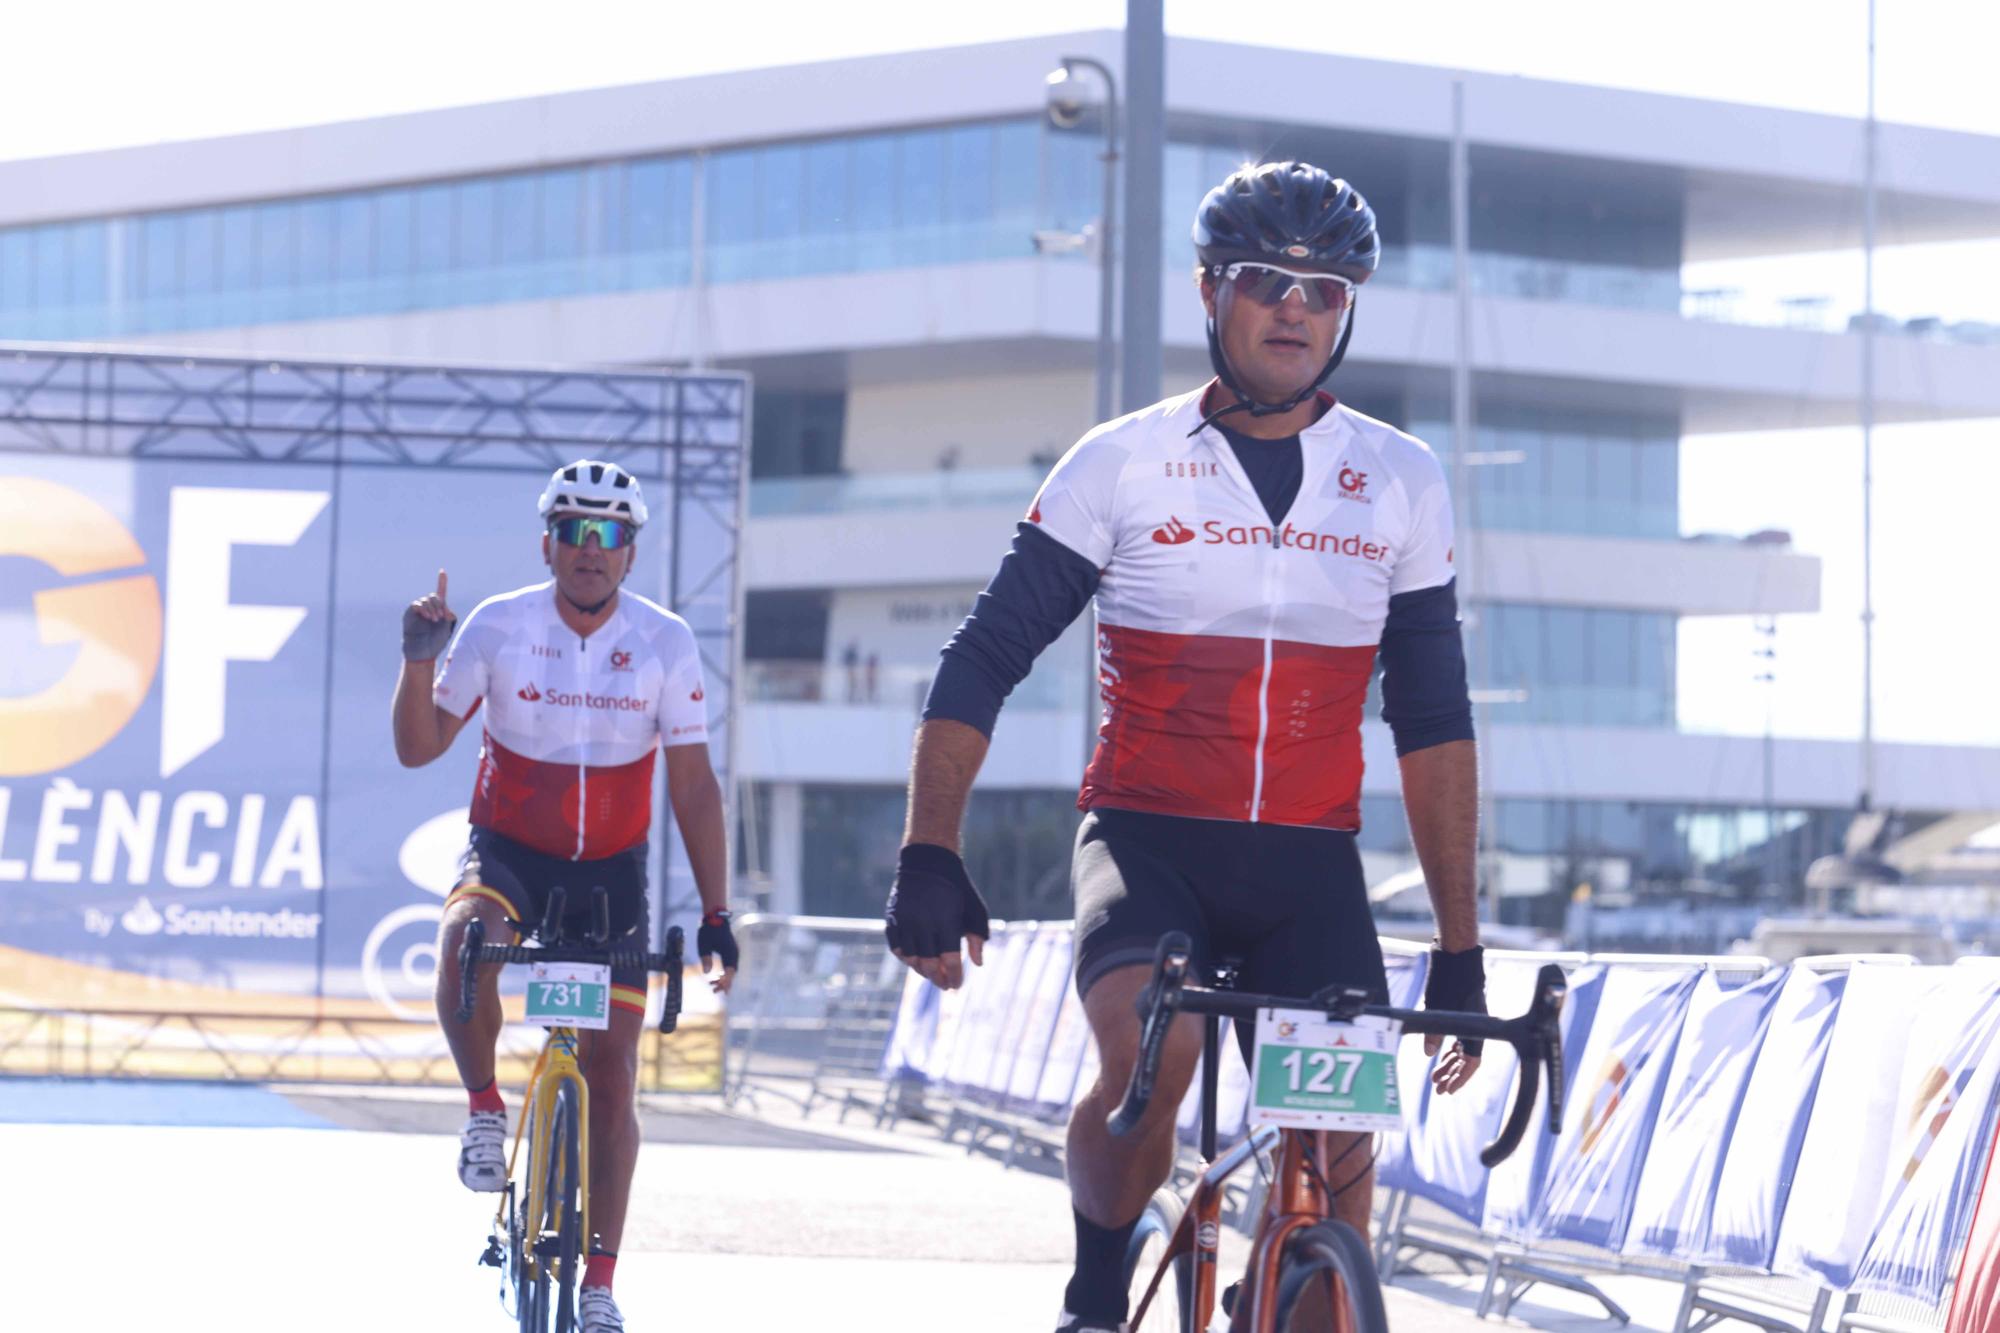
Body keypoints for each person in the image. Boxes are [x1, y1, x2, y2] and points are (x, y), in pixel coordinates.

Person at [882, 162, 1490, 1333]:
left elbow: (1434, 722)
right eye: (1266, 280)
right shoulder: (1121, 460)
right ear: (1211, 292)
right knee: (1154, 1066)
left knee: (1336, 1164)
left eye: (1324, 286)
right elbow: (982, 657)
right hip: (1147, 842)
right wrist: (927, 848)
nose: (1295, 306)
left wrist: (1460, 943)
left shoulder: (1401, 480)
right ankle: (1096, 1293)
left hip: (1308, 863)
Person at [393, 459, 739, 1333]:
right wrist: (416, 661)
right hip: (511, 852)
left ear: (630, 552)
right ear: (548, 542)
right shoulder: (500, 626)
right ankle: (481, 1110)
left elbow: (694, 789)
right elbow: (419, 746)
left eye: (610, 534)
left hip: (609, 872)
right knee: (464, 940)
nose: (591, 549)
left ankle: (600, 1284)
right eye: (575, 531)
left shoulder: (665, 643)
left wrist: (716, 914)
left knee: (614, 1077)